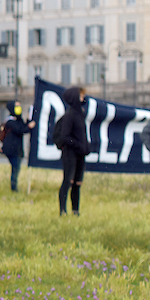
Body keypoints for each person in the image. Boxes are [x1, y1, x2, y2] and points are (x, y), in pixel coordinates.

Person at [51, 86, 90, 216]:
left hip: (80, 153)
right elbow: (65, 136)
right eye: (80, 96)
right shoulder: (70, 115)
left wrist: (85, 146)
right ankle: (62, 210)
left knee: (77, 183)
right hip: (70, 153)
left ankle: (75, 210)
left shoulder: (81, 114)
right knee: (68, 181)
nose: (83, 98)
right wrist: (78, 145)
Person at [0, 100, 36, 192]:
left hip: (17, 149)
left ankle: (14, 186)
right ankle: (14, 188)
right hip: (11, 149)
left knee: (17, 167)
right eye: (16, 106)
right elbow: (21, 130)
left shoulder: (18, 119)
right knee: (15, 168)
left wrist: (28, 119)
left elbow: (24, 127)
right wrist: (29, 126)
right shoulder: (10, 121)